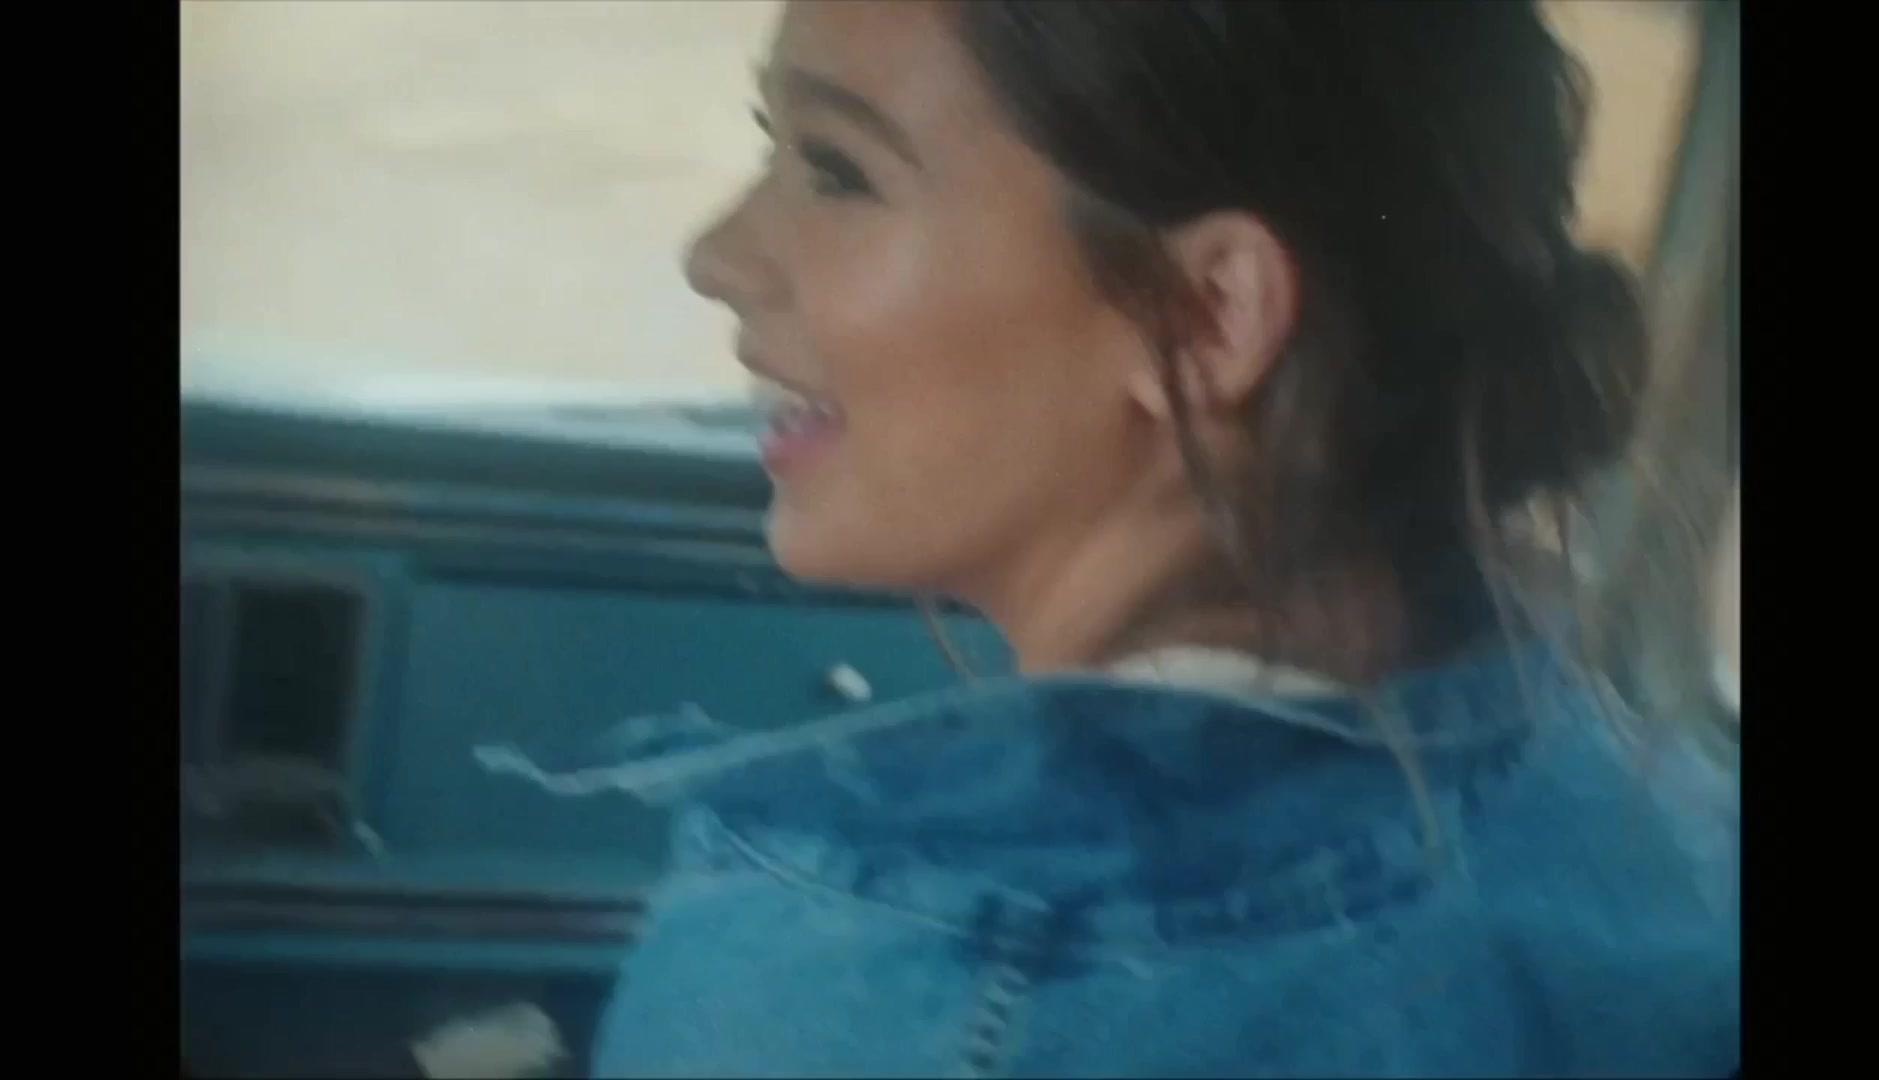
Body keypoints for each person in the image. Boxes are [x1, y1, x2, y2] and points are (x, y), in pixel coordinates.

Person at [573, 2, 1738, 1074]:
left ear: (1205, 317)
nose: (718, 256)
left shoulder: (870, 974)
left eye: (838, 171)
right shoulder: (1663, 827)